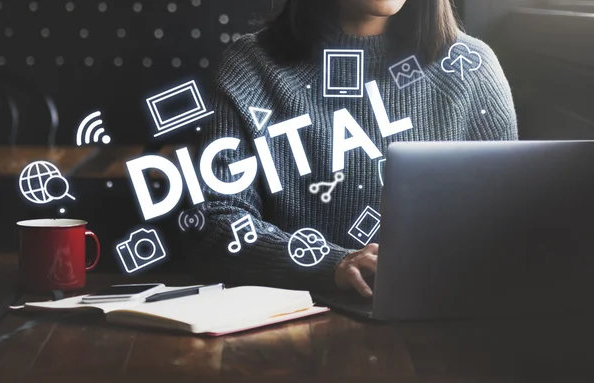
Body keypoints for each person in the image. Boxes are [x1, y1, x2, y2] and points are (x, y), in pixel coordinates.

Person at [194, 0, 518, 298]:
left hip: (444, 318)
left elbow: (509, 225)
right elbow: (216, 221)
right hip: (292, 320)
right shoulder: (251, 66)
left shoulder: (470, 69)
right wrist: (332, 264)